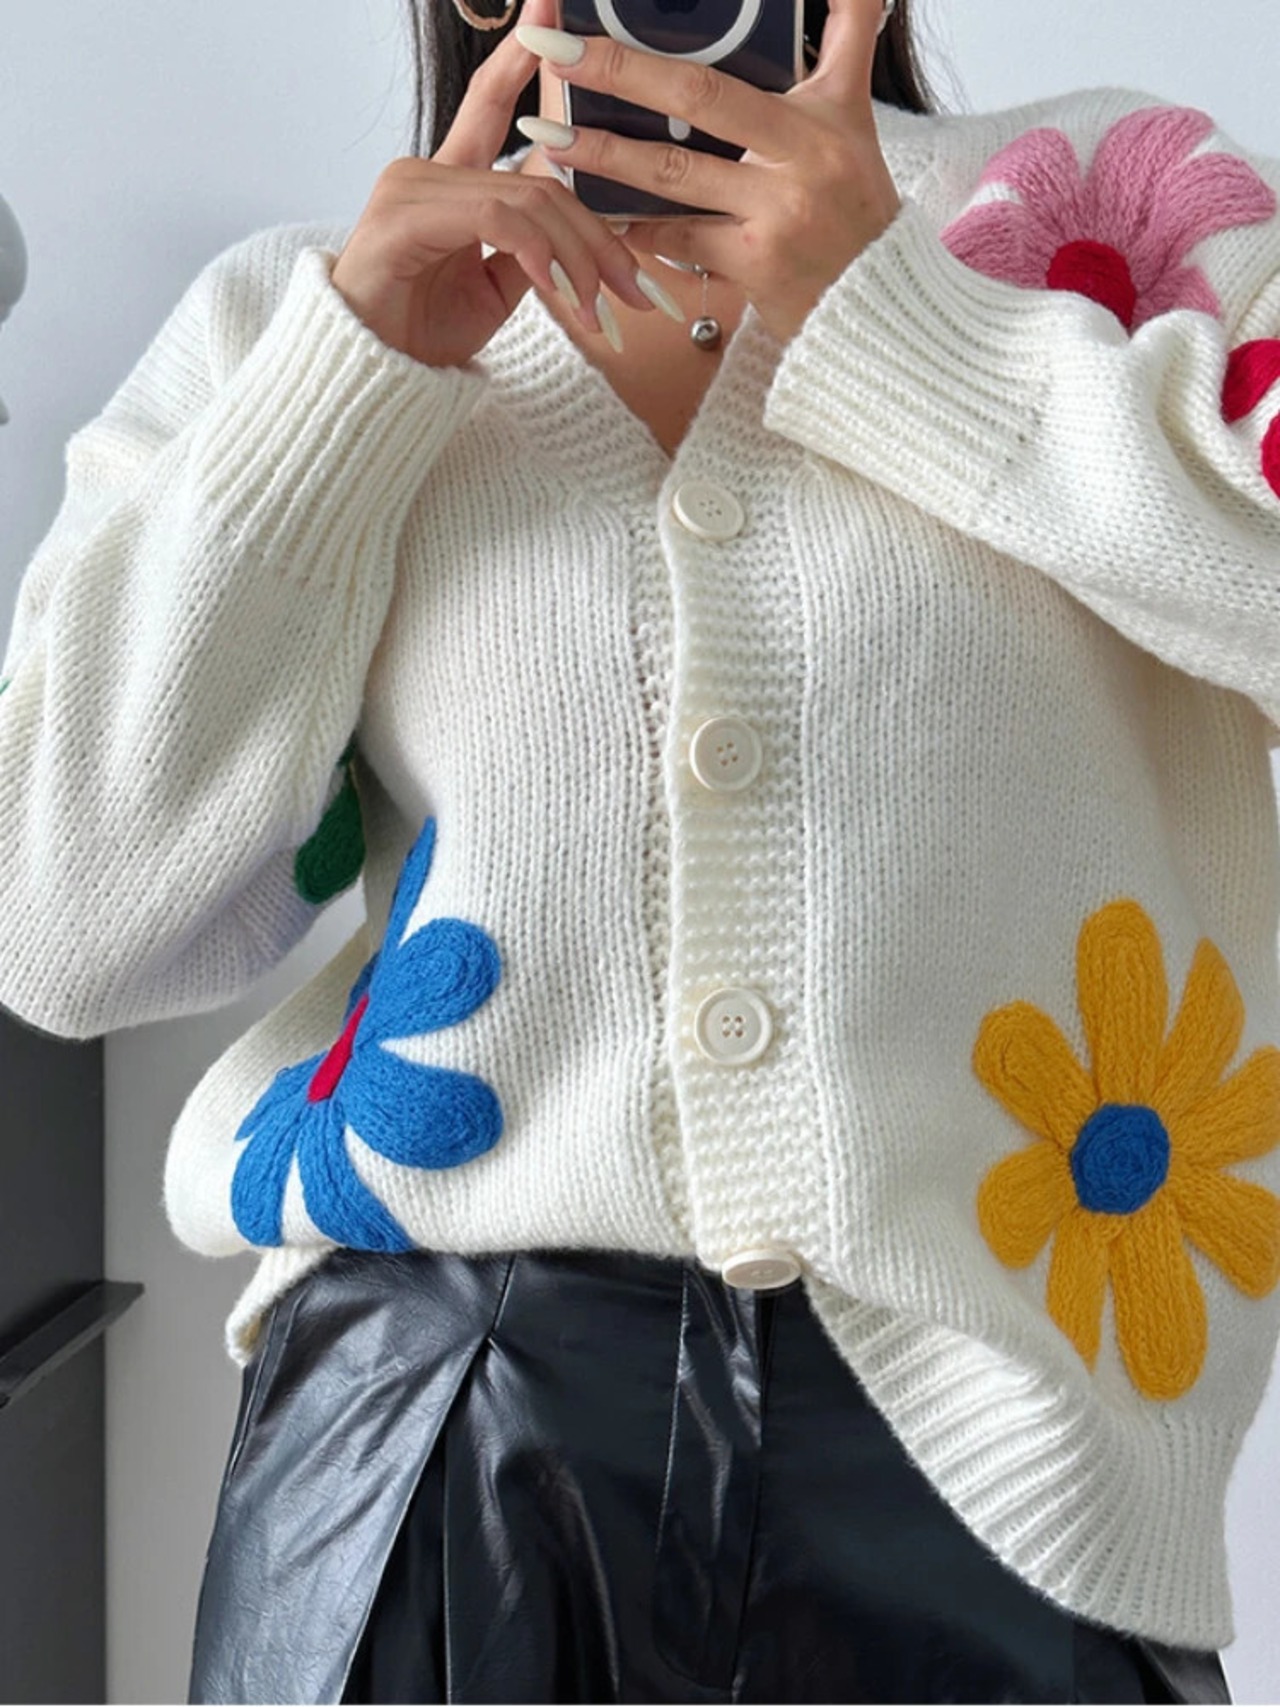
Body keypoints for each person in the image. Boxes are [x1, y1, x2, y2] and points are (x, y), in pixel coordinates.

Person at [0, 0, 1275, 1696]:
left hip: (1006, 1467)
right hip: (427, 1436)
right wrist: (349, 383)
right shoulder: (296, 319)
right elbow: (63, 926)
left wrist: (911, 329)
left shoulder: (1118, 226)